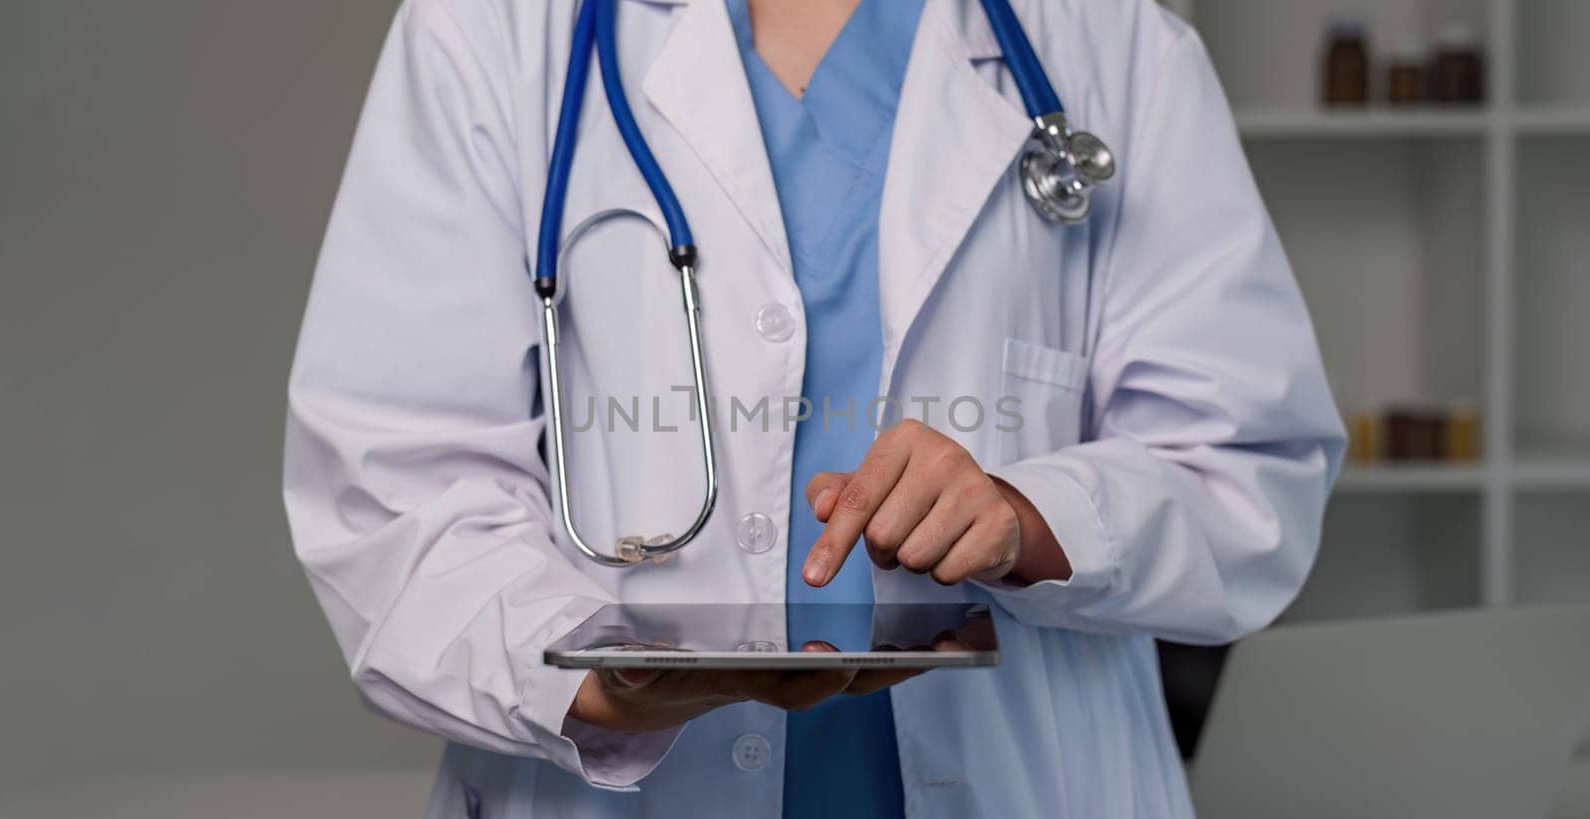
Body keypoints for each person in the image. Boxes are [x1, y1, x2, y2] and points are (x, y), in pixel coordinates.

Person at [283, 0, 1346, 816]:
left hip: (1022, 774)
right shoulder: (496, 31)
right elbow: (397, 482)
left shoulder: (1107, 39)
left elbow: (1247, 471)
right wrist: (575, 676)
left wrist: (1027, 515)